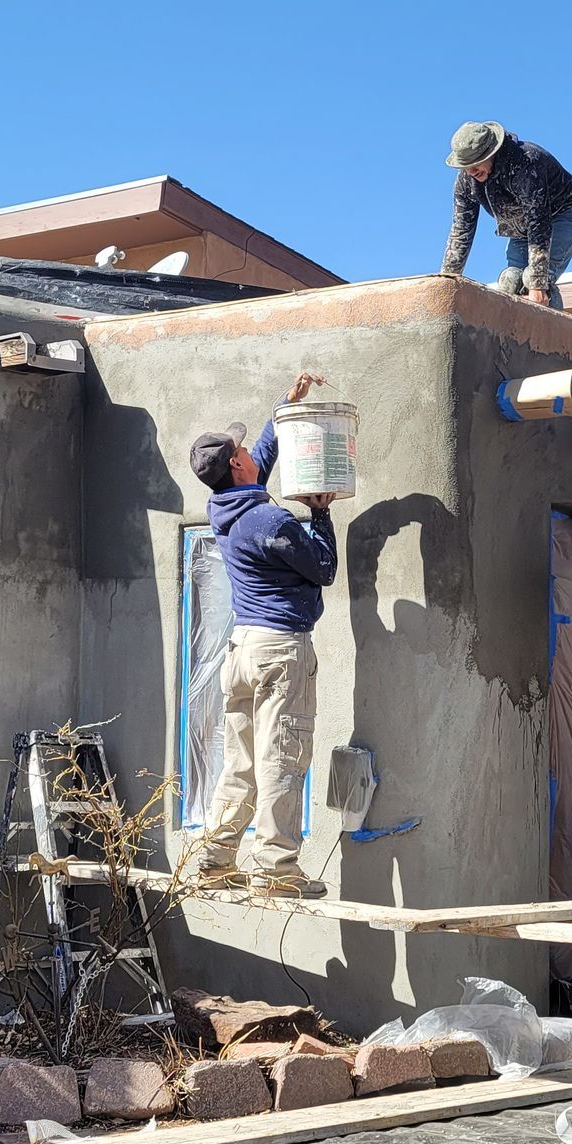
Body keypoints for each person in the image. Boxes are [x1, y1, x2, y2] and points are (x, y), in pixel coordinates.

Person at [190, 372, 340, 899]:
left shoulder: (226, 508)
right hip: (280, 652)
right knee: (283, 757)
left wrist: (286, 407)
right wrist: (321, 513)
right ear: (235, 464)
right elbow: (323, 568)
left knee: (243, 761)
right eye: (243, 450)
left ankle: (214, 857)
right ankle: (276, 870)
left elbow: (260, 462)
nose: (250, 452)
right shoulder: (269, 522)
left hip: (243, 650)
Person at [439, 121, 572, 310]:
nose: (471, 171)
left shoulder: (524, 162)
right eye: (466, 165)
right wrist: (446, 283)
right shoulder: (466, 181)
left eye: (476, 163)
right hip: (521, 229)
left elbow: (539, 221)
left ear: (491, 152)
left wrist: (537, 284)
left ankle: (556, 335)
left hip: (564, 214)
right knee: (510, 281)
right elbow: (461, 230)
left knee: (536, 282)